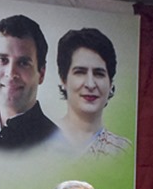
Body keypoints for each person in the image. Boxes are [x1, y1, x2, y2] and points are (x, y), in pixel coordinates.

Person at [0, 15, 59, 148]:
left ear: (42, 73)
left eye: (23, 63)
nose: (11, 73)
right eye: (3, 60)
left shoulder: (60, 146)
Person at [54, 28, 130, 156]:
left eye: (99, 74)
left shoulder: (123, 150)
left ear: (110, 84)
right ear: (63, 80)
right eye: (80, 72)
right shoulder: (37, 142)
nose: (90, 84)